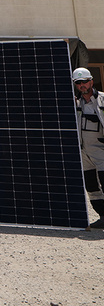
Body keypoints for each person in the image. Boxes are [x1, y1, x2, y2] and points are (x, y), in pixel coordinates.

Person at [72, 67, 104, 229]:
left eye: (84, 82)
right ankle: (102, 216)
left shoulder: (102, 100)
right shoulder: (74, 102)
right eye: (78, 83)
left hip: (100, 151)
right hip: (83, 153)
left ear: (91, 81)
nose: (82, 85)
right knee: (91, 187)